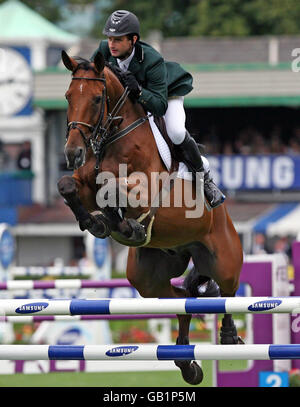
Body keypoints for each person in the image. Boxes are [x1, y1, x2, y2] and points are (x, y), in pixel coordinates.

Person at [92, 10, 225, 208]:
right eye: (110, 38)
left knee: (177, 132)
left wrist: (138, 91)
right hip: (131, 102)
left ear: (133, 39)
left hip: (166, 95)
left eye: (118, 39)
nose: (112, 44)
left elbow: (159, 106)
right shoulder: (103, 50)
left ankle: (205, 178)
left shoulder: (151, 59)